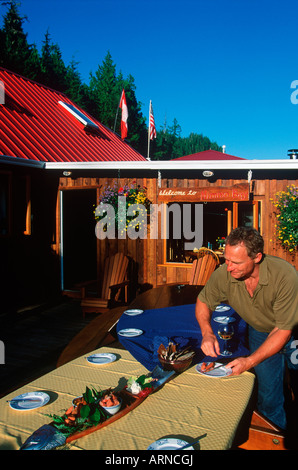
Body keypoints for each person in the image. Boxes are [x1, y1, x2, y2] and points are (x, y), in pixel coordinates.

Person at [195, 227, 298, 430]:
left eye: (236, 262)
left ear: (257, 257)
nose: (229, 267)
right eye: (227, 260)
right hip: (261, 331)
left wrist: (249, 361)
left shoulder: (285, 275)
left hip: (292, 330)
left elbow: (283, 330)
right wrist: (207, 332)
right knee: (268, 397)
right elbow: (203, 302)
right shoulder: (225, 273)